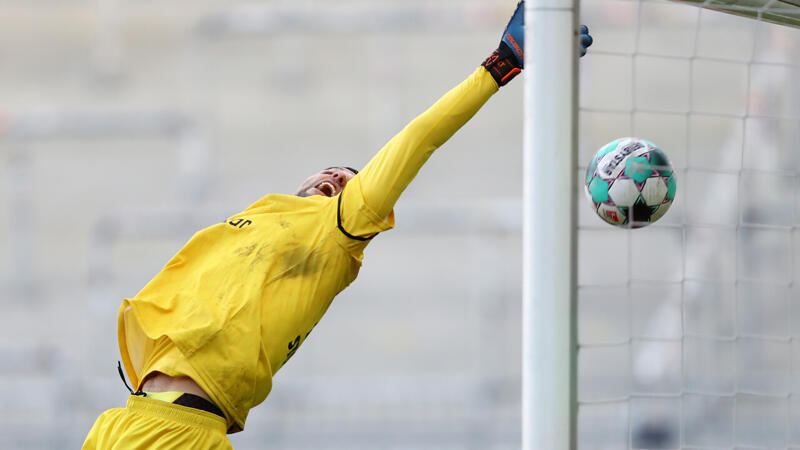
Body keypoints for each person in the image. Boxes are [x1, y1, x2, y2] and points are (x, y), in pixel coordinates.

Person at [83, 2, 593, 448]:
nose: (337, 175)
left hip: (184, 433)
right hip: (122, 420)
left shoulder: (336, 235)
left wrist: (498, 65)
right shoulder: (257, 218)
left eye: (351, 179)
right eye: (331, 168)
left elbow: (417, 140)